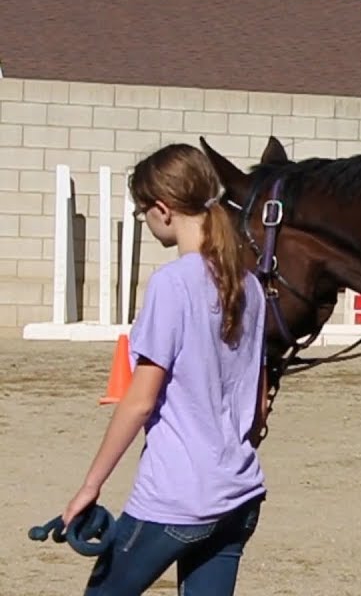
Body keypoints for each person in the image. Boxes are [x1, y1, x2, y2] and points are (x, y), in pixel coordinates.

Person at [58, 143, 269, 595]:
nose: (146, 221)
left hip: (176, 499)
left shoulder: (172, 285)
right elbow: (258, 399)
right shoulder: (249, 284)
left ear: (162, 209)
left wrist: (89, 487)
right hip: (239, 495)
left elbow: (138, 401)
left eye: (142, 213)